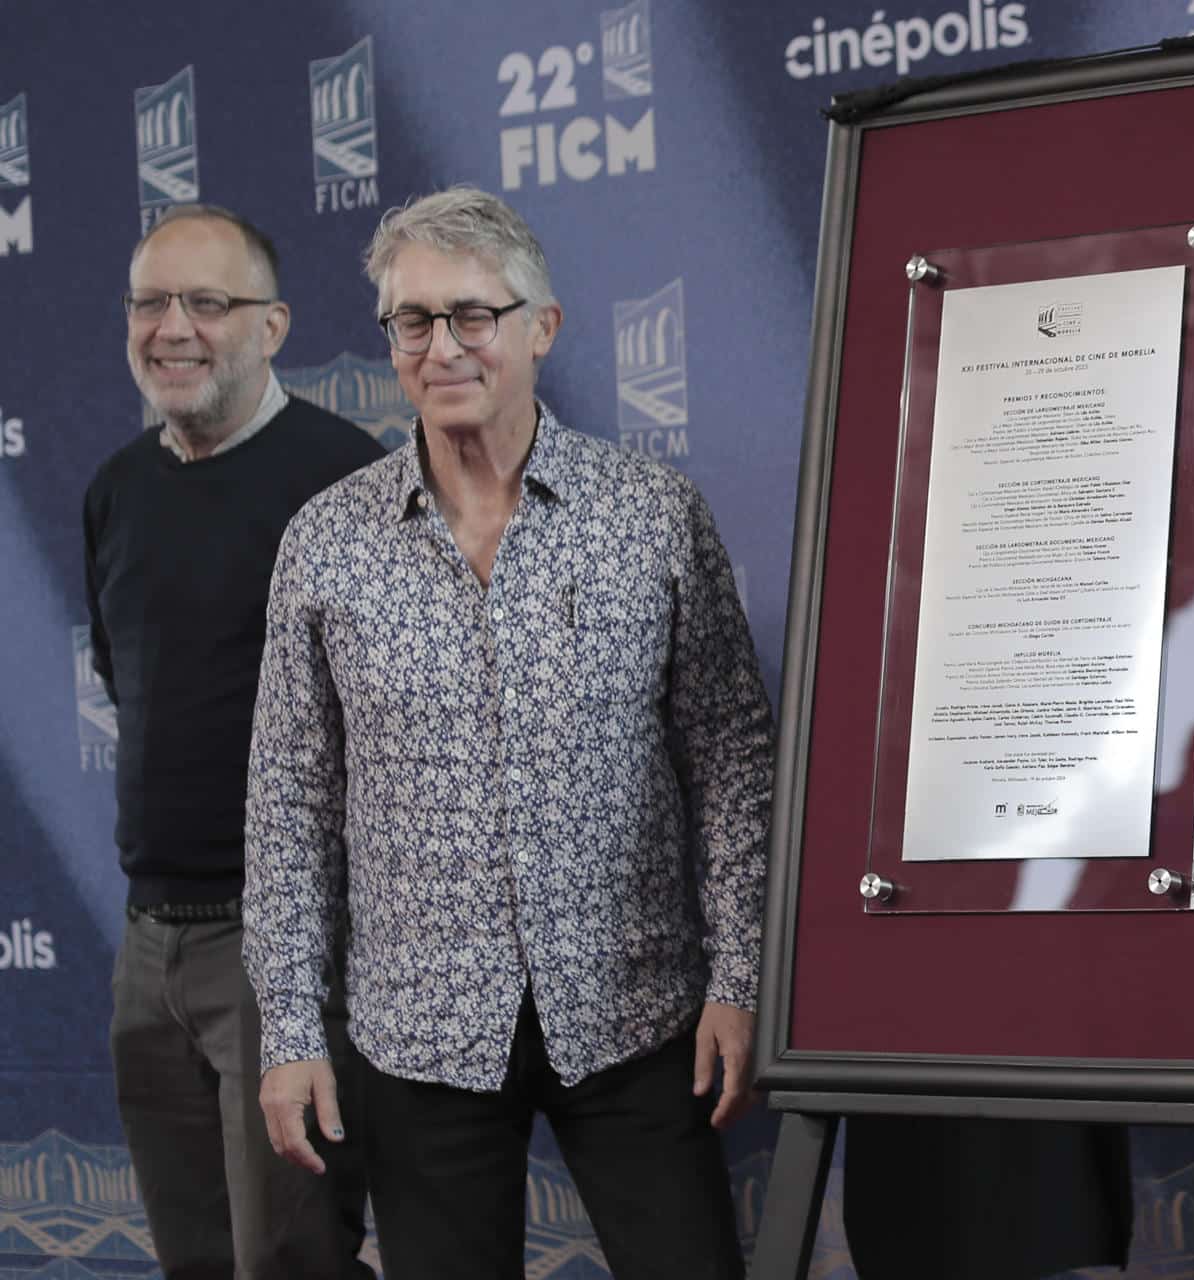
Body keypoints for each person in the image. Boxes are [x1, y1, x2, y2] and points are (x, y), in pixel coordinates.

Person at [242, 185, 772, 1280]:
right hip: (419, 1032)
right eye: (412, 320)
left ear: (543, 326)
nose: (442, 347)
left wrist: (742, 976)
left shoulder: (653, 514)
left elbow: (731, 762)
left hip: (637, 1011)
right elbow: (288, 805)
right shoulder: (326, 544)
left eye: (473, 314)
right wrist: (291, 1027)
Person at [82, 204, 382, 1278]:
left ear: (273, 325)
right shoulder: (114, 490)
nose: (174, 327)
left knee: (292, 1262)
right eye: (151, 301)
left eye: (208, 301)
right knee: (195, 1259)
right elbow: (133, 685)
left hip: (285, 946)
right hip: (147, 943)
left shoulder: (351, 484)